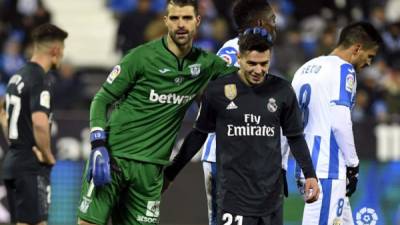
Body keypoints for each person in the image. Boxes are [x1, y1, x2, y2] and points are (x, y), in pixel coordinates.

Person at [76, 0, 237, 225]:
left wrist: (254, 42)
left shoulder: (206, 64)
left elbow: (246, 76)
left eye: (187, 18)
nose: (181, 24)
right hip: (114, 158)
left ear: (197, 21)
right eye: (175, 18)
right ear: (165, 21)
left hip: (151, 172)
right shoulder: (140, 57)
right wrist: (98, 144)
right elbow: (101, 99)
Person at [164, 27, 320, 225]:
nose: (258, 70)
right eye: (252, 63)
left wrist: (310, 175)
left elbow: (295, 136)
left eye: (264, 63)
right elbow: (198, 134)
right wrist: (171, 172)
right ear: (239, 58)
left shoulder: (282, 90)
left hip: (271, 197)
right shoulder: (218, 91)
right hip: (232, 197)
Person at [199, 1, 286, 224]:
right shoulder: (233, 49)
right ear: (260, 23)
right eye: (272, 21)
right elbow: (209, 88)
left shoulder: (258, 54)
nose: (276, 26)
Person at [291, 21, 382, 225]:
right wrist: (353, 163)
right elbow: (340, 122)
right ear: (357, 48)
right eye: (369, 57)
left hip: (305, 166)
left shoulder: (304, 69)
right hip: (327, 169)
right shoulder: (344, 70)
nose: (368, 64)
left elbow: (287, 120)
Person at [0, 23, 68, 225]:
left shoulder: (17, 77)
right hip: (31, 166)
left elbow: (5, 118)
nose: (62, 56)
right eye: (62, 50)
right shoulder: (39, 79)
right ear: (55, 50)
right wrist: (47, 155)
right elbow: (39, 123)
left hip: (13, 162)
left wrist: (16, 144)